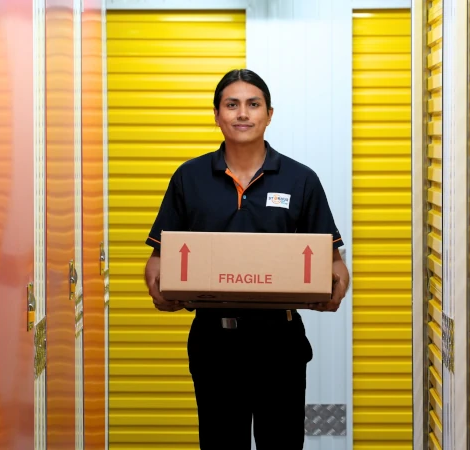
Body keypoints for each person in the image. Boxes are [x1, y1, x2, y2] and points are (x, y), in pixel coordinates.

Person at [143, 68, 350, 449]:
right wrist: (160, 289)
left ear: (269, 114)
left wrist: (334, 289)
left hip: (280, 342)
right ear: (217, 114)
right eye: (232, 105)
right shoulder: (189, 178)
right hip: (214, 342)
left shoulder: (300, 180)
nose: (242, 113)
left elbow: (334, 264)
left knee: (282, 444)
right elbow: (159, 260)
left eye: (253, 105)